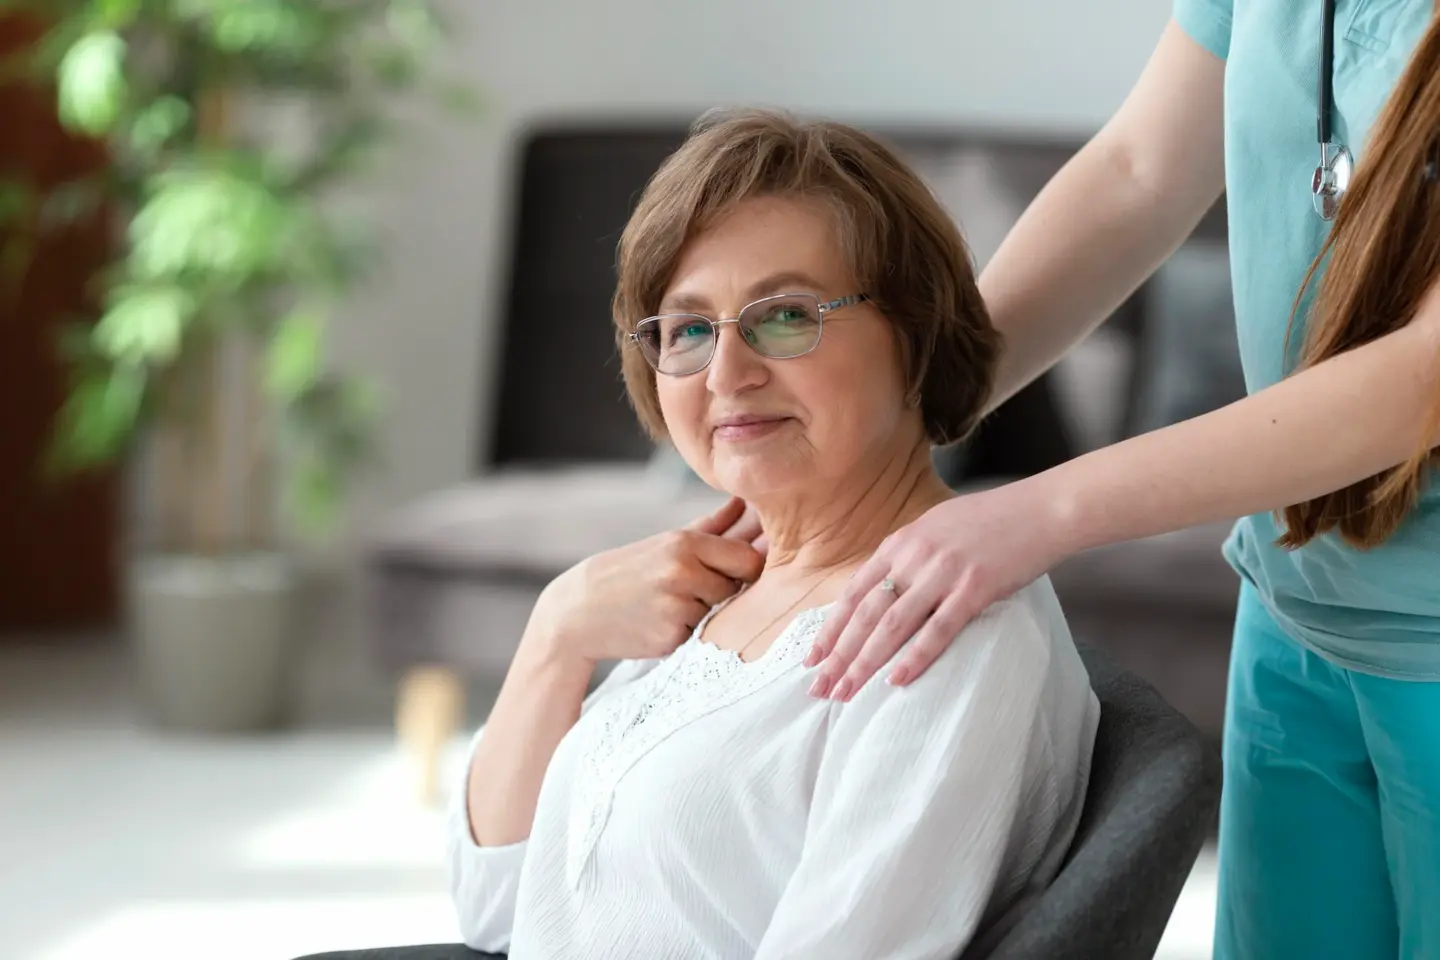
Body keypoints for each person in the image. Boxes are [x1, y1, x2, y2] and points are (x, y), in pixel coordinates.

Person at [803, 3, 1440, 957]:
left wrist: (1041, 510)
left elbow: (1422, 379)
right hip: (1296, 611)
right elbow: (1138, 174)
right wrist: (898, 422)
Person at [446, 109, 1100, 960]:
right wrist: (555, 635)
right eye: (687, 329)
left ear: (916, 334)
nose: (728, 373)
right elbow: (499, 913)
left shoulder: (944, 631)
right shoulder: (721, 583)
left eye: (786, 316)